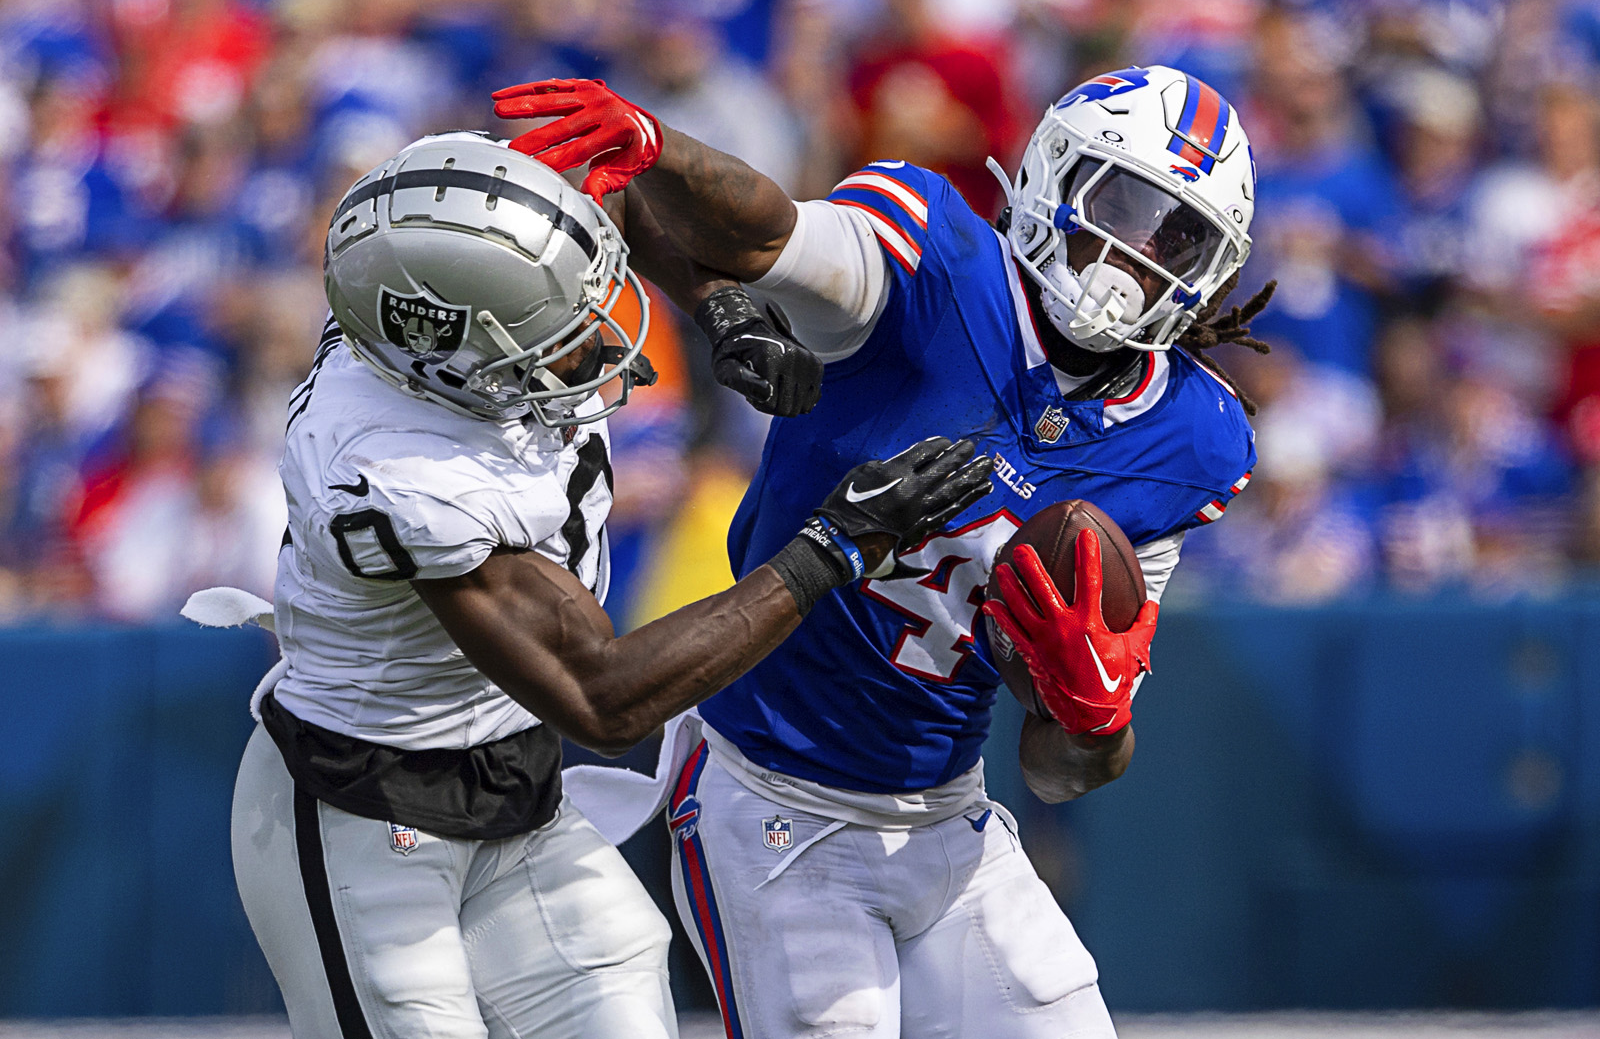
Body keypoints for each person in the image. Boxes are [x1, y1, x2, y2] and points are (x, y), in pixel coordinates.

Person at [493, 65, 1272, 1037]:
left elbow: (1059, 766)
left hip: (947, 820)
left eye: (1175, 236)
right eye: (1120, 204)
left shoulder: (1188, 439)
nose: (1129, 253)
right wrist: (659, 144)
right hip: (769, 793)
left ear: (1213, 266)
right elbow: (767, 232)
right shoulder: (936, 259)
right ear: (1054, 174)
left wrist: (1091, 709)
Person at [225, 130, 993, 1039]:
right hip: (365, 807)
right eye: (558, 335)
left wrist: (719, 309)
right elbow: (604, 697)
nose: (602, 342)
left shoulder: (438, 293)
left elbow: (611, 192)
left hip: (516, 787)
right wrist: (834, 544)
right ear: (451, 362)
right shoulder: (400, 470)